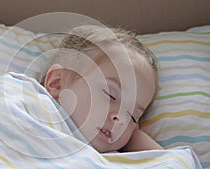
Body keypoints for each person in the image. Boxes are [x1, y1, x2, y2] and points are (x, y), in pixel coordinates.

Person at [42, 25, 164, 153]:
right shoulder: (29, 108)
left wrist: (135, 140)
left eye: (132, 116)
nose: (121, 118)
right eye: (110, 95)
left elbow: (172, 163)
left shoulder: (114, 159)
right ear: (57, 83)